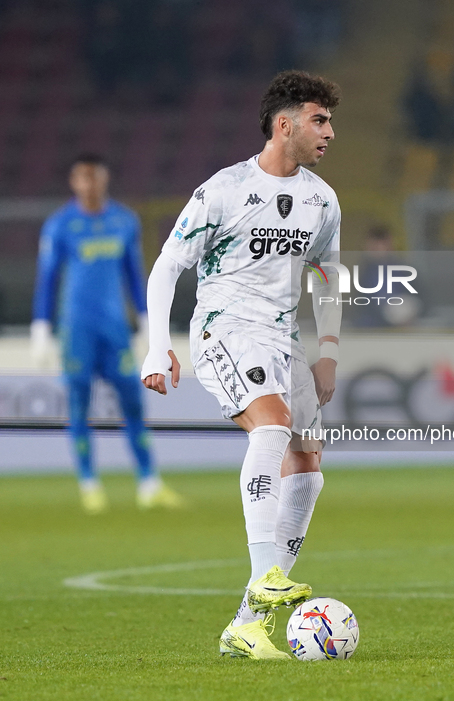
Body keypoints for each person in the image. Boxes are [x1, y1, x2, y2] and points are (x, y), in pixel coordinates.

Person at [141, 70, 342, 659]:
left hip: (284, 340)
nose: (330, 132)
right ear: (285, 125)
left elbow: (327, 278)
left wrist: (326, 353)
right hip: (225, 330)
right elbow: (166, 267)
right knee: (275, 428)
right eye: (319, 120)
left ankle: (247, 625)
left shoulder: (321, 200)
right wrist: (157, 346)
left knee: (306, 468)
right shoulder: (223, 190)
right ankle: (265, 573)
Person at [31, 154, 183, 514]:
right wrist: (42, 327)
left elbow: (135, 274)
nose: (89, 185)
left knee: (133, 401)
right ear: (74, 182)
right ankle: (89, 485)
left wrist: (148, 323)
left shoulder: (124, 221)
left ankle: (149, 483)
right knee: (79, 405)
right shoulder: (60, 225)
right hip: (76, 330)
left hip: (116, 329)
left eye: (95, 178)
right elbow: (47, 280)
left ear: (104, 179)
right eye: (83, 178)